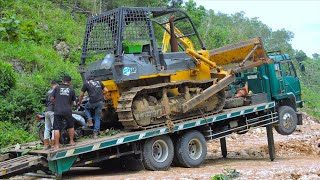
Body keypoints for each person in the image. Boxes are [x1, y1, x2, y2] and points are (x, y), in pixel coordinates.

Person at [51, 76, 77, 149]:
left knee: (56, 128)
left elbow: (52, 98)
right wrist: (70, 107)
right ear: (70, 82)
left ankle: (57, 145)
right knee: (71, 126)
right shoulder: (71, 90)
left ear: (62, 81)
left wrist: (56, 104)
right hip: (67, 110)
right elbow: (72, 101)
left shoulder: (57, 88)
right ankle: (71, 141)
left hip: (58, 110)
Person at [43, 80, 59, 149]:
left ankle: (46, 144)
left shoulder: (48, 92)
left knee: (47, 128)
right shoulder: (56, 91)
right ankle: (53, 144)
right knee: (54, 128)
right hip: (53, 111)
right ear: (56, 85)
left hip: (46, 111)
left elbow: (46, 102)